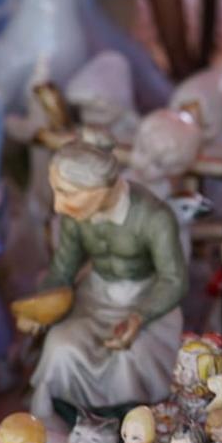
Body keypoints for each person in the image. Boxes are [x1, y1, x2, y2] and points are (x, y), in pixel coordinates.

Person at [18, 142, 187, 416]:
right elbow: (63, 269)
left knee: (129, 357)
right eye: (56, 192)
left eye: (67, 193)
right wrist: (41, 308)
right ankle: (65, 417)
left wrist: (139, 317)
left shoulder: (154, 217)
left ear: (100, 187)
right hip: (94, 298)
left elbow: (174, 280)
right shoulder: (75, 216)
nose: (58, 206)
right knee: (60, 348)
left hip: (146, 300)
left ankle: (131, 422)